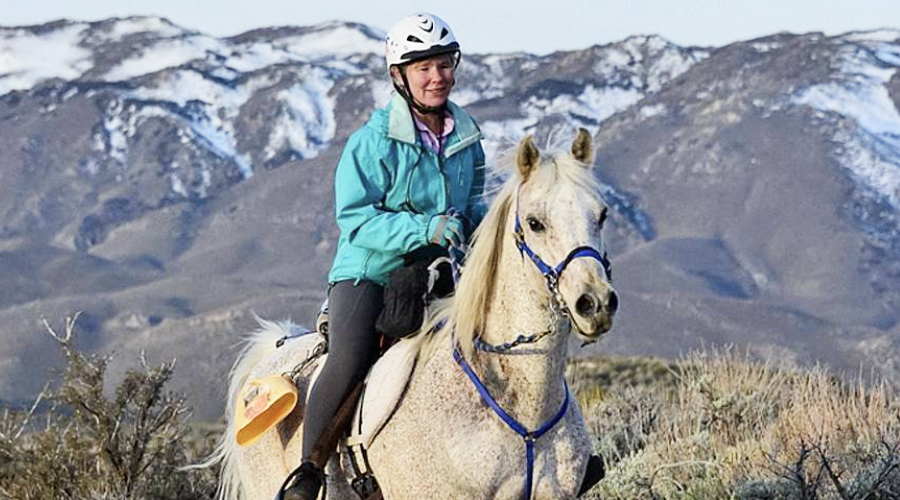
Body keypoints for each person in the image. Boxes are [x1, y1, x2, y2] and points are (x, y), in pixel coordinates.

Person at [280, 13, 487, 500]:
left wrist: (485, 226)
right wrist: (425, 226)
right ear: (399, 76)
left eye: (444, 64)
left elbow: (473, 202)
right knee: (351, 358)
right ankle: (308, 472)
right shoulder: (370, 142)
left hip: (434, 274)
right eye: (424, 68)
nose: (438, 77)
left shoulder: (468, 139)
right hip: (368, 272)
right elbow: (356, 219)